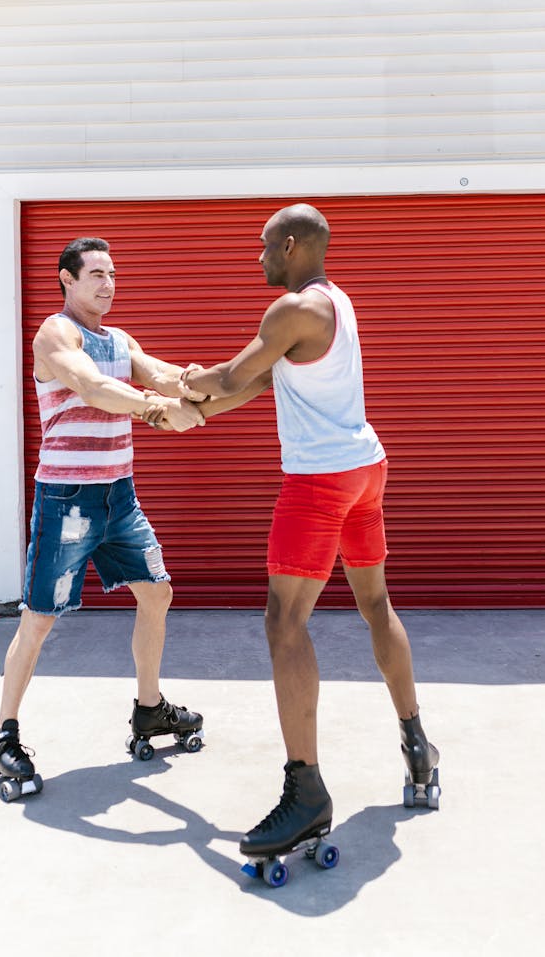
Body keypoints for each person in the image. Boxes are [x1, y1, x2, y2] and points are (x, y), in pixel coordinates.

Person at [180, 203, 440, 859]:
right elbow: (265, 380)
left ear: (291, 245)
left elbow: (231, 376)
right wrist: (196, 408)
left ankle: (306, 792)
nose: (258, 257)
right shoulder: (334, 300)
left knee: (284, 621)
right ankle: (417, 743)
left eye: (264, 246)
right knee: (375, 604)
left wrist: (179, 389)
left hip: (322, 481)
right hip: (364, 468)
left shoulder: (289, 309)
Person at [0, 236, 224, 788]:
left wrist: (200, 382)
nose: (108, 284)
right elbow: (91, 386)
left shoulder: (118, 337)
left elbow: (157, 373)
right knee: (39, 620)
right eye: (96, 274)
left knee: (156, 593)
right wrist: (159, 409)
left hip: (119, 497)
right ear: (67, 280)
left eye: (112, 274)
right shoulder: (56, 334)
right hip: (67, 500)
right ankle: (2, 732)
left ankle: (150, 706)